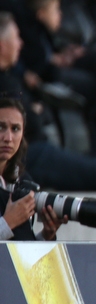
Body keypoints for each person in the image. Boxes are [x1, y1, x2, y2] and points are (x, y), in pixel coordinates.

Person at [0, 96, 69, 241]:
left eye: (15, 129)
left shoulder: (23, 181)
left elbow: (21, 254)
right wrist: (8, 222)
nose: (8, 138)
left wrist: (46, 235)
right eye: (1, 127)